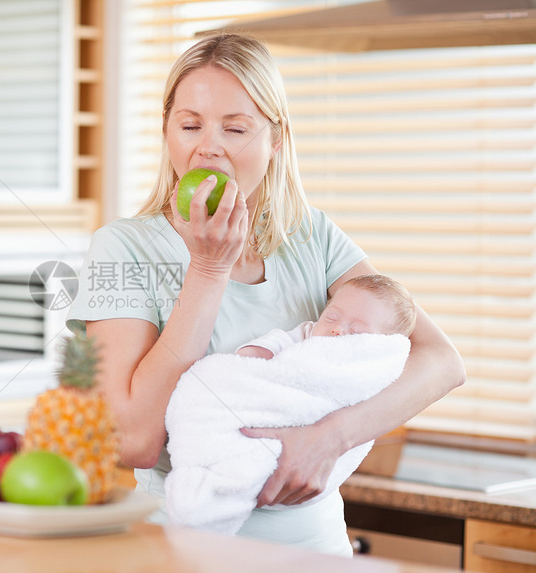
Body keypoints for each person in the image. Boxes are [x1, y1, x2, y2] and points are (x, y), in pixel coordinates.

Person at [65, 34, 465, 556]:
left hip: (317, 549)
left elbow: (441, 361)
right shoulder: (123, 249)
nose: (208, 147)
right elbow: (132, 441)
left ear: (275, 140)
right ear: (167, 131)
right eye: (190, 126)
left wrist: (330, 438)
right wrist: (209, 269)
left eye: (235, 128)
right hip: (186, 548)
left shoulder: (311, 235)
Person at [236, 274, 416, 360]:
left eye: (355, 332)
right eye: (331, 317)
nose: (337, 329)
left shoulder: (373, 363)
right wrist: (262, 351)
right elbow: (282, 339)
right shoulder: (309, 334)